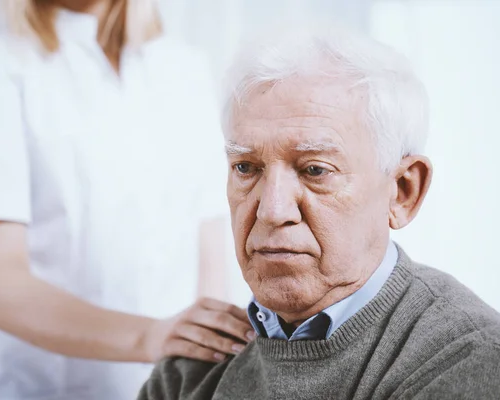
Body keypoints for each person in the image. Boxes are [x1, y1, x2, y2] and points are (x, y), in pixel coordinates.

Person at [138, 22, 500, 399]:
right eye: (246, 167)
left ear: (402, 192)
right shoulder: (192, 368)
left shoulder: (467, 361)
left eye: (315, 170)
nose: (272, 211)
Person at [0, 0, 255, 399]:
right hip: (26, 384)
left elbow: (210, 250)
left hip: (159, 385)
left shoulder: (183, 67)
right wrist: (152, 336)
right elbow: (0, 283)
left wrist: (203, 362)